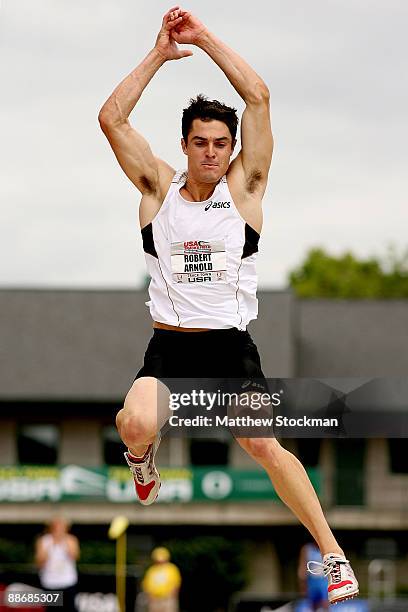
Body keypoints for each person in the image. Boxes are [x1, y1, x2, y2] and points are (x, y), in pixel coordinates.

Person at [98, 6, 359, 605]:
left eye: (222, 144)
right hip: (169, 345)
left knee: (263, 444)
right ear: (185, 145)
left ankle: (334, 555)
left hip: (229, 346)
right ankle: (144, 462)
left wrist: (203, 39)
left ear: (232, 146)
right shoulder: (156, 189)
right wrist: (159, 56)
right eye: (201, 143)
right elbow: (111, 118)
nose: (211, 153)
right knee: (132, 423)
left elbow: (259, 95)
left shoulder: (245, 191)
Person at [35, 516, 80, 612]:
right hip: (50, 583)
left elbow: (74, 556)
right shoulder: (44, 540)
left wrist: (63, 541)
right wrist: (52, 545)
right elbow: (40, 562)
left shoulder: (71, 539)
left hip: (67, 583)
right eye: (56, 526)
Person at [141, 547, 181, 612]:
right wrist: (150, 596)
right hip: (154, 599)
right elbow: (146, 584)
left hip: (168, 599)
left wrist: (172, 597)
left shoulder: (172, 569)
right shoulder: (151, 570)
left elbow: (176, 584)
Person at [298, 543, 329, 611]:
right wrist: (303, 584)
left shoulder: (327, 548)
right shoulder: (307, 549)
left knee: (325, 603)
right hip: (312, 580)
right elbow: (303, 567)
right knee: (313, 605)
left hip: (324, 580)